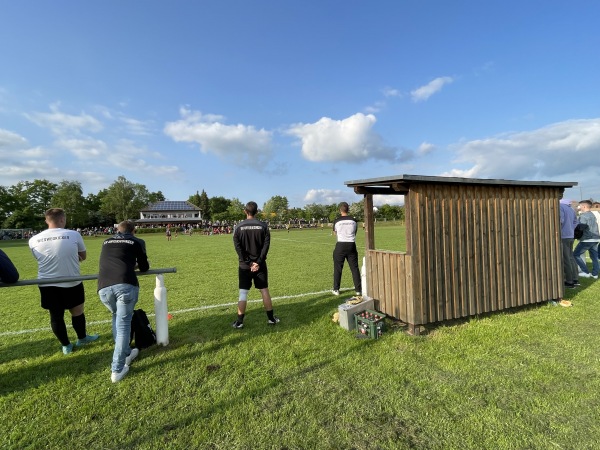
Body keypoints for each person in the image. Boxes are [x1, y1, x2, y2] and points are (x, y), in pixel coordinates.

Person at [29, 208, 99, 355]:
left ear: (46, 220)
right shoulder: (73, 234)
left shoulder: (33, 239)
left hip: (47, 283)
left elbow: (39, 258)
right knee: (77, 312)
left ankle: (66, 345)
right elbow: (83, 256)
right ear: (62, 219)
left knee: (56, 316)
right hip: (71, 280)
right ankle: (81, 338)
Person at [98, 220, 150, 383]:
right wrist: (132, 265)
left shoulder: (106, 241)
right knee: (123, 325)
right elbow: (144, 267)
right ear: (134, 231)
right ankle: (117, 369)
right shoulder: (137, 241)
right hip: (125, 286)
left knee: (116, 317)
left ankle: (127, 352)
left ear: (117, 230)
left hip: (104, 288)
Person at [232, 201, 279, 329]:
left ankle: (239, 322)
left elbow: (238, 248)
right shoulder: (263, 226)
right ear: (257, 212)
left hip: (244, 266)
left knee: (243, 293)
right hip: (260, 265)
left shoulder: (238, 227)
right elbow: (266, 247)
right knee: (264, 290)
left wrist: (248, 262)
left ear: (245, 211)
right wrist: (258, 262)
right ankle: (271, 319)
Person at [332, 202, 362, 296]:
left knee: (338, 268)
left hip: (340, 245)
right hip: (351, 245)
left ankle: (336, 289)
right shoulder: (354, 220)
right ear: (348, 209)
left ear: (340, 210)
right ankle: (358, 290)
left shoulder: (336, 221)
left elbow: (334, 233)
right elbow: (355, 232)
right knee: (354, 268)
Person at [574, 200, 600, 279]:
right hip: (595, 239)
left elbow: (580, 228)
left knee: (575, 254)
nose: (579, 207)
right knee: (594, 257)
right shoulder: (593, 215)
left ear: (584, 206)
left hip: (586, 240)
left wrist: (575, 235)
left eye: (580, 206)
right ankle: (595, 274)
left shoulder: (583, 216)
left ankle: (585, 272)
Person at [559, 198, 579, 288]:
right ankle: (575, 279)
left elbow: (560, 221)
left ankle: (569, 281)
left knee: (565, 259)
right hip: (570, 235)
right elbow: (576, 222)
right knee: (571, 258)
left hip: (563, 236)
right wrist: (570, 229)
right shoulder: (570, 209)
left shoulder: (560, 207)